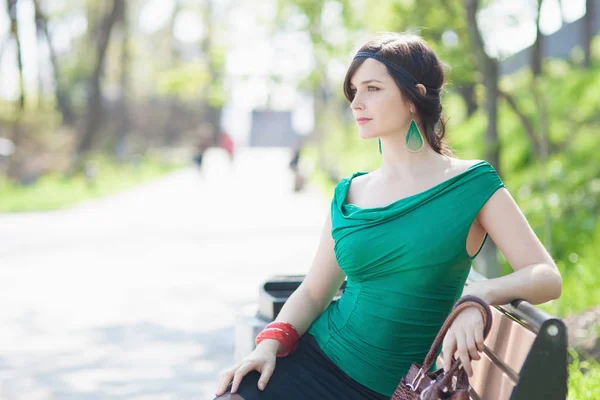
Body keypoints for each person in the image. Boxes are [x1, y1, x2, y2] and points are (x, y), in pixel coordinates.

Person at [213, 33, 562, 400]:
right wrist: (269, 344)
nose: (356, 102)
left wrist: (479, 296)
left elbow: (546, 276)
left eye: (373, 88)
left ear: (415, 97)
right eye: (353, 90)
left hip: (391, 390)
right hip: (314, 362)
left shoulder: (471, 186)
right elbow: (315, 292)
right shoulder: (350, 191)